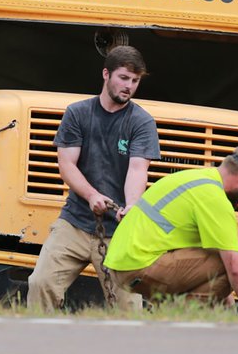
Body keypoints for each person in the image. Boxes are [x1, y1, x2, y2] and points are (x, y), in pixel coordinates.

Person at [27, 45, 160, 311]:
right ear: (106, 74)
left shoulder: (142, 122)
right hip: (74, 221)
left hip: (119, 231)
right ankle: (37, 344)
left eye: (135, 81)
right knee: (40, 283)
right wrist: (91, 195)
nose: (129, 86)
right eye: (123, 78)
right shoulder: (78, 113)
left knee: (128, 306)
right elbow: (66, 164)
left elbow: (137, 170)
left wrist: (132, 205)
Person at [103, 147, 238, 307]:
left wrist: (227, 305)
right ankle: (178, 317)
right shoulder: (214, 198)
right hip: (139, 266)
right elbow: (235, 269)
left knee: (222, 258)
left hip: (121, 262)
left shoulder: (193, 178)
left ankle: (177, 317)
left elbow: (214, 261)